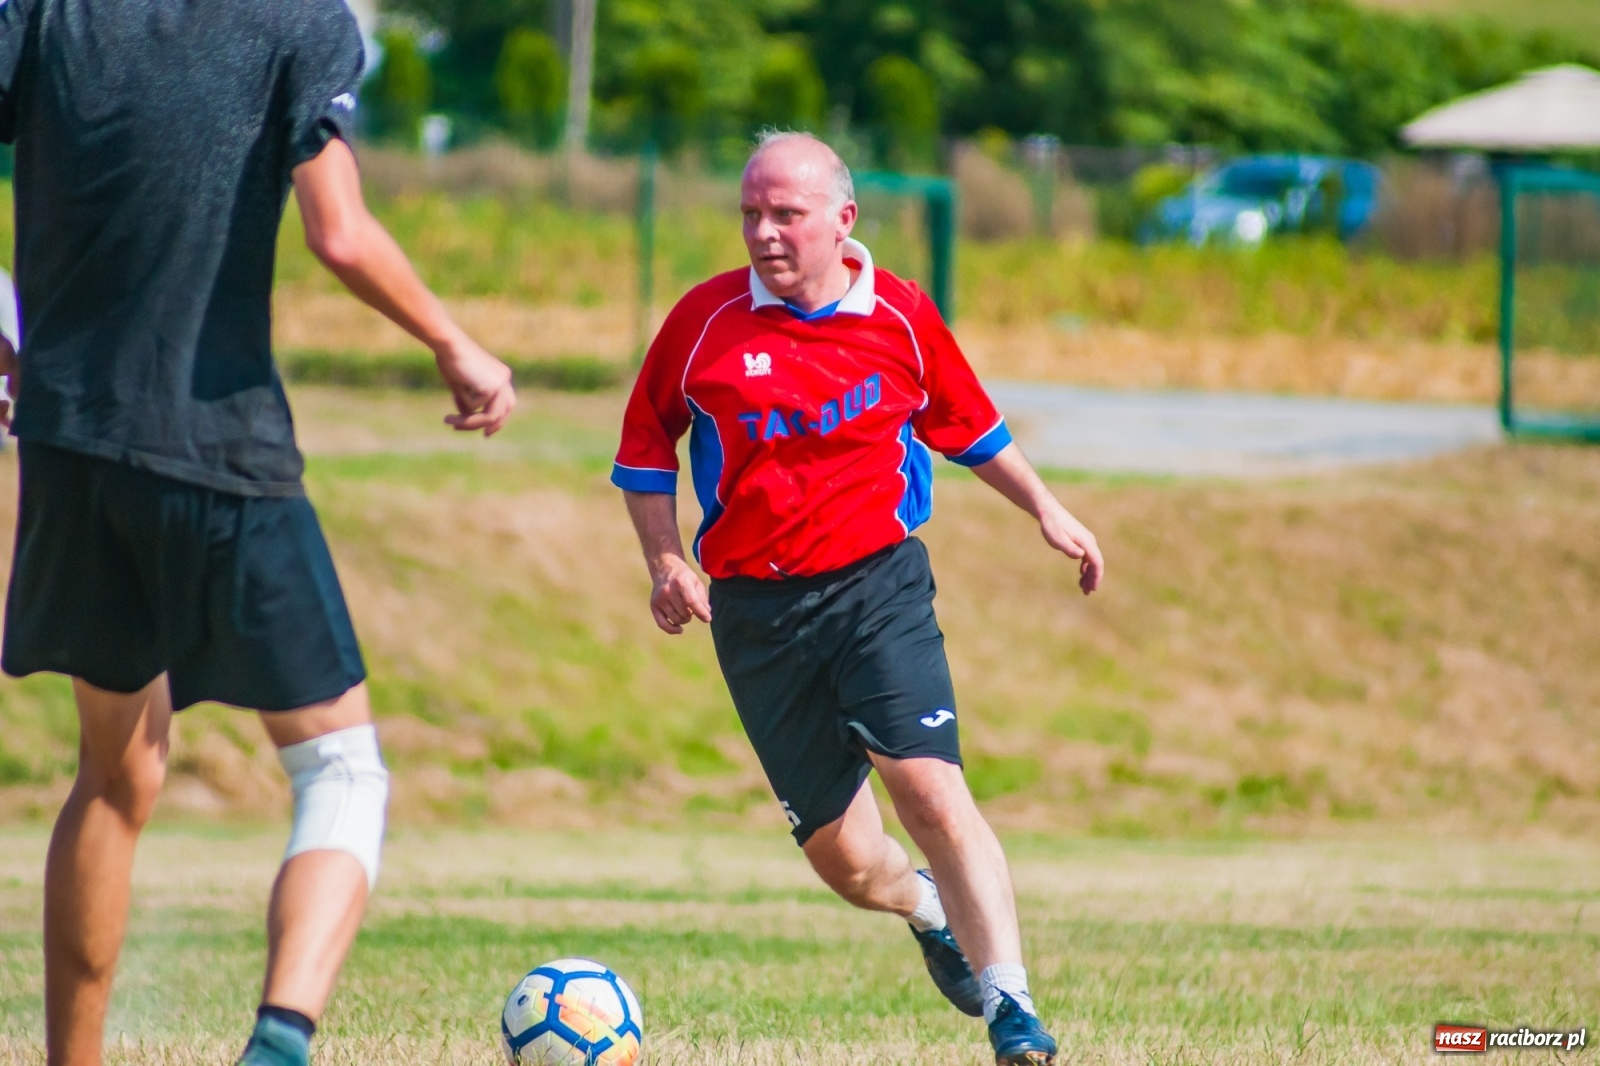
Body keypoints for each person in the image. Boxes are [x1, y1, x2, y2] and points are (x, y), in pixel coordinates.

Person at [0, 3, 516, 1066]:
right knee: (342, 770)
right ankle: (279, 1044)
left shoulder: (49, 12)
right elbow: (340, 232)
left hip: (66, 445)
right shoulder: (294, 20)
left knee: (115, 775)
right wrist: (455, 342)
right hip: (214, 445)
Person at [612, 131, 1104, 1066]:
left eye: (784, 214)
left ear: (843, 222)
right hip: (754, 613)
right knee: (845, 862)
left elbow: (971, 426)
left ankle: (1015, 1012)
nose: (763, 232)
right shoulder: (704, 324)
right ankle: (928, 911)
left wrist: (1046, 508)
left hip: (878, 586)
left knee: (927, 783)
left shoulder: (903, 316)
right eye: (751, 213)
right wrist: (666, 560)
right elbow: (644, 450)